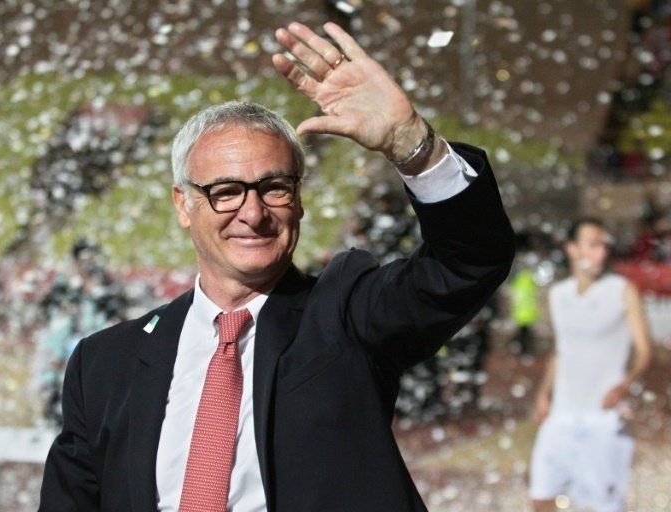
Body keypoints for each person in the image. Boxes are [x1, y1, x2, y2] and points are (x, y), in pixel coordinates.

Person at [39, 21, 514, 511]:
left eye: (274, 187)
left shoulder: (346, 317)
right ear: (183, 205)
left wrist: (410, 142)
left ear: (299, 200)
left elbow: (469, 260)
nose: (253, 212)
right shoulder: (104, 364)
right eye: (225, 191)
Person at [530, 218, 653, 512]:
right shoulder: (559, 295)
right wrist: (543, 393)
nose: (601, 253)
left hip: (603, 418)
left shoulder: (622, 290)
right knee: (541, 497)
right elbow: (561, 351)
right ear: (572, 249)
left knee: (605, 505)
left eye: (604, 246)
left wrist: (624, 385)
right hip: (562, 414)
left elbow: (645, 351)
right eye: (593, 245)